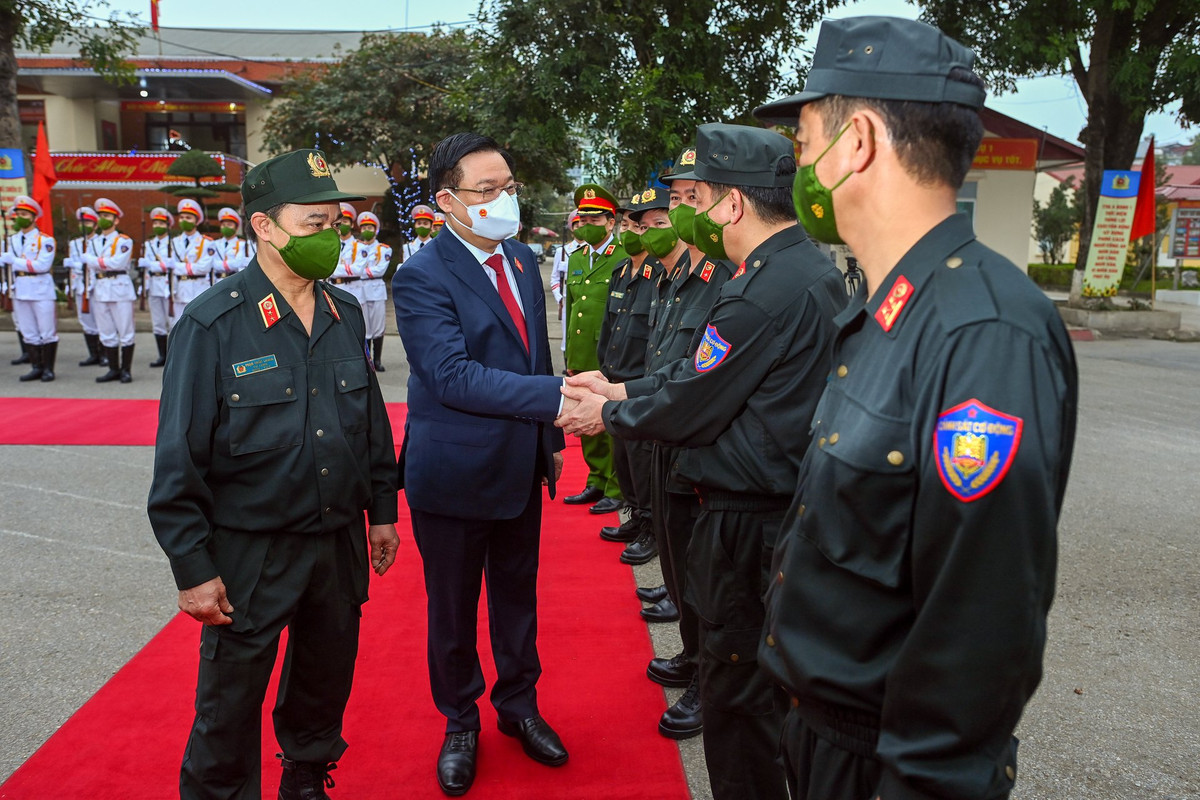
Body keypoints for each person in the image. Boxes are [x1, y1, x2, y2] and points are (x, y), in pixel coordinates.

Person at [750, 17, 1079, 800]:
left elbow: (979, 632)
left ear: (856, 141)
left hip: (885, 760)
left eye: (802, 141)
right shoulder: (889, 309)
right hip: (823, 736)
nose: (798, 165)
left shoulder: (983, 331)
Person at [558, 123, 847, 799]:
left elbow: (694, 403)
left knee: (739, 699)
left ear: (734, 205)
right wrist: (622, 387)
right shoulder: (801, 268)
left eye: (703, 198)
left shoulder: (758, 292)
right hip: (782, 508)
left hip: (751, 522)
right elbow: (697, 373)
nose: (696, 215)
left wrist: (604, 413)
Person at [148, 148, 400, 800]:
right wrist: (193, 568)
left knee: (324, 676)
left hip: (337, 542)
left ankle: (307, 774)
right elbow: (178, 459)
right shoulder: (214, 323)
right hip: (250, 551)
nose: (331, 238)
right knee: (229, 705)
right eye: (313, 225)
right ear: (264, 226)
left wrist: (383, 513)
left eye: (334, 223)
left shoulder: (344, 313)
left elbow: (369, 425)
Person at [393, 132, 569, 797]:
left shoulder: (522, 259)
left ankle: (519, 707)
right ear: (446, 200)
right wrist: (558, 400)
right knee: (454, 610)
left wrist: (549, 445)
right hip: (455, 475)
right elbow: (453, 376)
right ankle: (460, 719)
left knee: (518, 600)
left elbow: (534, 359)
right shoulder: (421, 275)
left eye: (511, 187)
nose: (505, 200)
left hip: (520, 467)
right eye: (487, 191)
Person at [594, 191, 663, 556]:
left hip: (639, 384)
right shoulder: (621, 271)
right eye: (627, 224)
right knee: (623, 459)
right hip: (615, 378)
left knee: (641, 460)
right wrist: (604, 371)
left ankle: (652, 526)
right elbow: (610, 327)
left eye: (638, 225)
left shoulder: (659, 274)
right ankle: (636, 515)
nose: (630, 231)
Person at [562, 184, 625, 515]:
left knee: (611, 424)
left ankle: (616, 487)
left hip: (610, 357)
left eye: (594, 218)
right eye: (582, 217)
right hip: (580, 354)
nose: (585, 223)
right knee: (586, 423)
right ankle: (596, 479)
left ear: (610, 222)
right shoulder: (576, 258)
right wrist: (568, 354)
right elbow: (573, 309)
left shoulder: (624, 257)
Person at [3, 196, 57, 381]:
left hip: (40, 288)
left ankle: (48, 369)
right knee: (29, 331)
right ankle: (36, 367)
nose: (20, 217)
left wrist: (15, 261)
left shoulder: (45, 240)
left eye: (24, 214)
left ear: (34, 218)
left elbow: (42, 265)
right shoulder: (11, 240)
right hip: (20, 288)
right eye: (18, 214)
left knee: (46, 331)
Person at [85, 198, 137, 383]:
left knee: (125, 330)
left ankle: (126, 370)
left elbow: (118, 263)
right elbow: (91, 266)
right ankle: (113, 369)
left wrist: (95, 261)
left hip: (120, 288)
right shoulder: (93, 242)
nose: (102, 219)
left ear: (116, 220)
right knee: (106, 331)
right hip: (100, 289)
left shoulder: (124, 241)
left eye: (106, 216)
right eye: (100, 216)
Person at [63, 206, 105, 368]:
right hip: (80, 284)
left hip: (95, 285)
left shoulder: (100, 242)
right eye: (82, 222)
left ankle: (104, 354)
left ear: (95, 225)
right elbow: (75, 264)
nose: (84, 225)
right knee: (86, 320)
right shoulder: (75, 243)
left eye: (88, 222)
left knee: (101, 320)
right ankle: (93, 354)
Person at [139, 207, 175, 368]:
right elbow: (148, 266)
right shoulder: (149, 244)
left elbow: (168, 265)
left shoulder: (173, 243)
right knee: (158, 323)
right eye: (155, 223)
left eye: (161, 222)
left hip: (168, 285)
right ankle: (162, 355)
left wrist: (153, 264)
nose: (157, 225)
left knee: (173, 322)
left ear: (168, 225)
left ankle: (174, 356)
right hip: (153, 284)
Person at [171, 198, 216, 324]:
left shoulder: (207, 242)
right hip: (180, 290)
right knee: (177, 326)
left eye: (188, 218)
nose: (184, 220)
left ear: (197, 221)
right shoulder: (174, 242)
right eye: (182, 217)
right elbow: (171, 266)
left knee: (200, 325)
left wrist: (178, 267)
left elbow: (204, 267)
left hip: (199, 289)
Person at [357, 211, 391, 371]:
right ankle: (366, 360)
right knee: (365, 327)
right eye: (364, 227)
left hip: (376, 289)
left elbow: (380, 270)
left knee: (378, 327)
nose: (366, 230)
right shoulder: (356, 247)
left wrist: (357, 271)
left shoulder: (383, 249)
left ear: (376, 229)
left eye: (370, 227)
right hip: (361, 289)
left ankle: (377, 360)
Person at [549, 212, 584, 353]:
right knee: (566, 332)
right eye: (577, 225)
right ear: (572, 228)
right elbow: (555, 278)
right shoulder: (562, 252)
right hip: (565, 299)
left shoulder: (592, 251)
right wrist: (559, 297)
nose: (580, 228)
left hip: (583, 298)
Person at [329, 203, 366, 306]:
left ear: (352, 225)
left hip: (353, 290)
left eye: (345, 221)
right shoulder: (330, 246)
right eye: (339, 222)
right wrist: (346, 268)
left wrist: (334, 270)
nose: (342, 225)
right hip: (333, 290)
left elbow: (358, 270)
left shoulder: (360, 246)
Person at [211, 207, 251, 282]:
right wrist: (231, 264)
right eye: (223, 225)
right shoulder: (214, 244)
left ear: (236, 227)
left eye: (229, 225)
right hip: (217, 281)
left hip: (234, 281)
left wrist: (220, 265)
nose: (226, 227)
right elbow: (212, 264)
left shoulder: (242, 244)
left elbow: (239, 263)